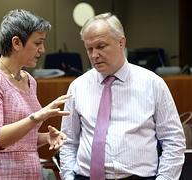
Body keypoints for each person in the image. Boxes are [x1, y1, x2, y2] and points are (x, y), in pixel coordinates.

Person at [60, 12, 186, 180]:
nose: (94, 55)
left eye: (101, 46)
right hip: (85, 176)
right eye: (89, 49)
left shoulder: (152, 84)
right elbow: (68, 142)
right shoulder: (77, 87)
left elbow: (173, 140)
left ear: (121, 42)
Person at [0, 9, 71, 179]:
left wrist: (44, 137)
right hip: (2, 174)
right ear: (16, 43)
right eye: (38, 43)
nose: (42, 49)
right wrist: (36, 117)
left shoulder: (29, 79)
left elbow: (21, 141)